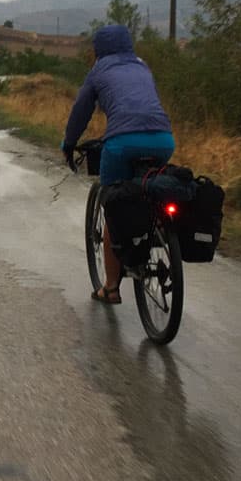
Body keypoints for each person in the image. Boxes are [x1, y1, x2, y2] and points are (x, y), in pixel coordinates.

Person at [61, 24, 174, 304]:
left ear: (98, 49)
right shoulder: (142, 66)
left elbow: (81, 110)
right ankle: (159, 229)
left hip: (122, 143)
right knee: (150, 190)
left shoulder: (99, 70)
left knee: (113, 205)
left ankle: (111, 288)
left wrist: (69, 143)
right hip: (163, 140)